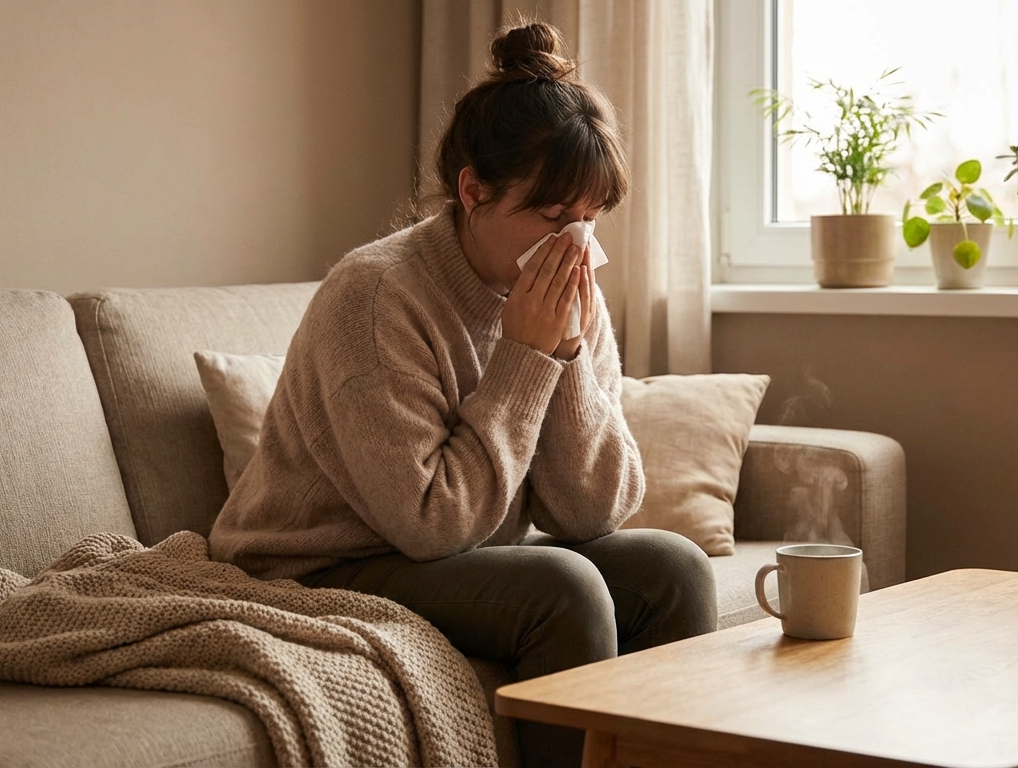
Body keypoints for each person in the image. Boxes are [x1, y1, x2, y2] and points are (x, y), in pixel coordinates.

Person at [209, 20, 716, 767]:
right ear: (474, 192)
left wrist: (565, 354)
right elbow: (431, 523)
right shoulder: (376, 296)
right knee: (564, 588)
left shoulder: (571, 291)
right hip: (316, 563)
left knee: (675, 569)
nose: (577, 246)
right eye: (553, 218)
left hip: (455, 552)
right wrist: (524, 358)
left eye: (589, 219)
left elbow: (593, 512)